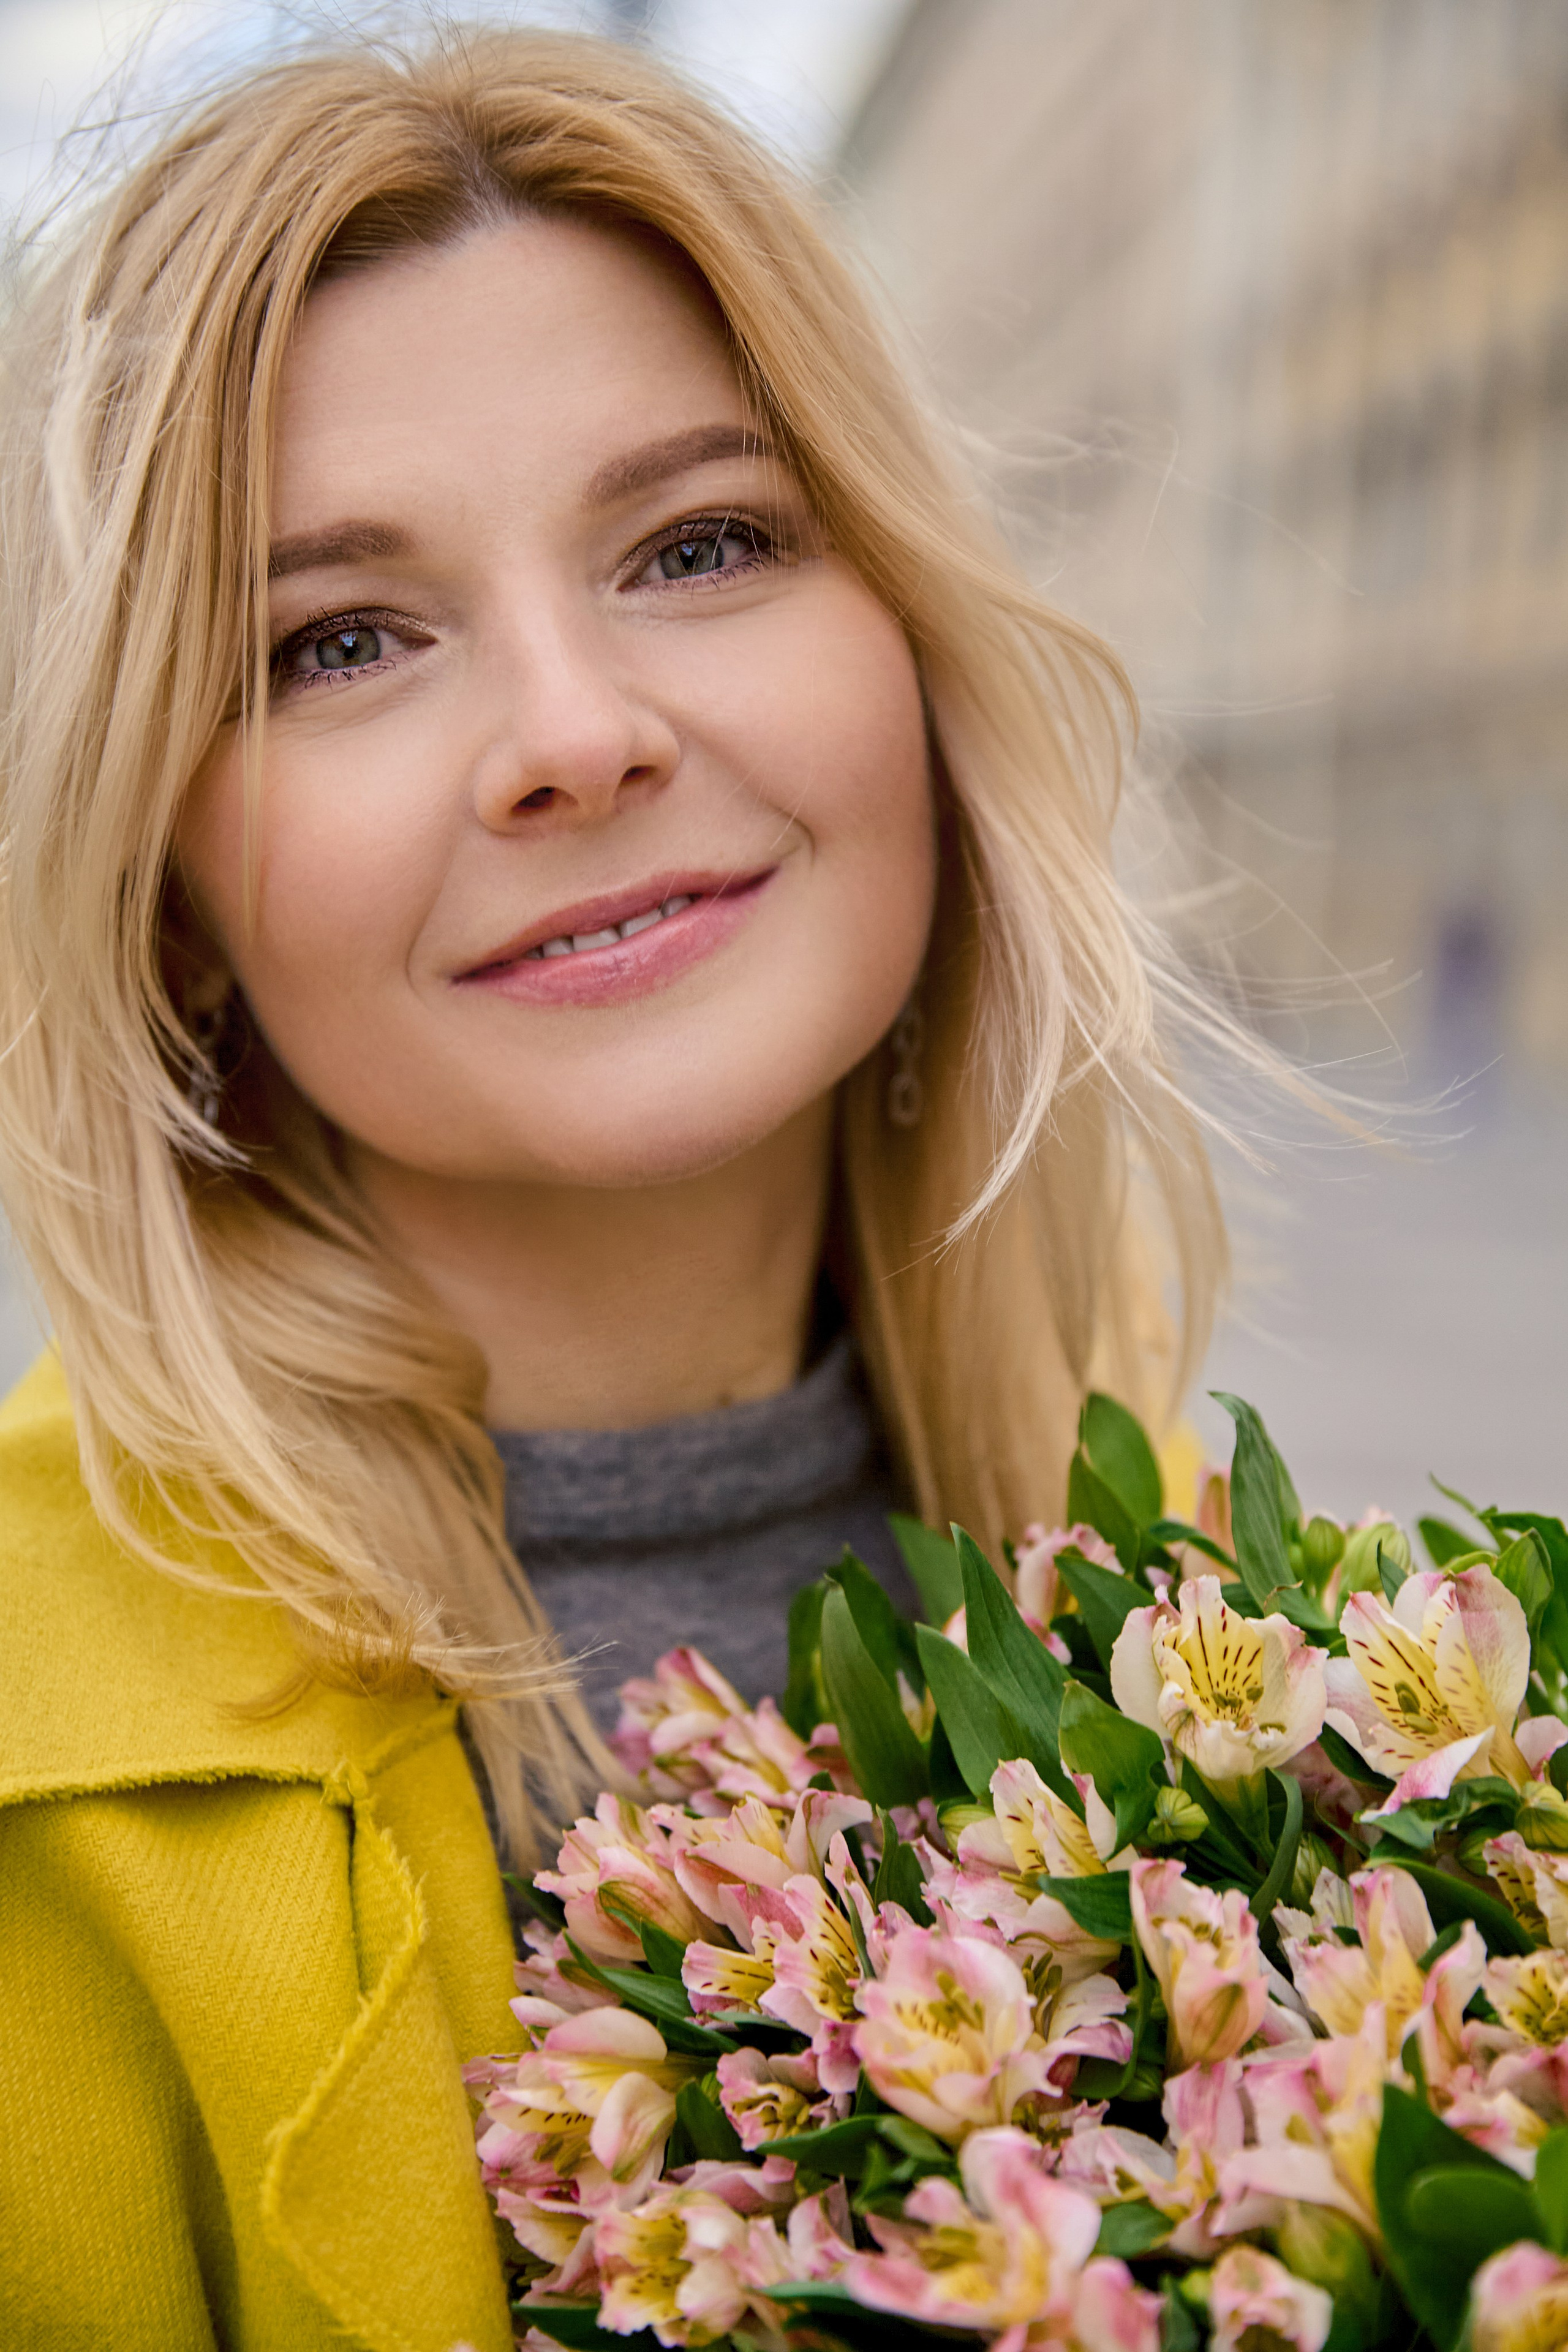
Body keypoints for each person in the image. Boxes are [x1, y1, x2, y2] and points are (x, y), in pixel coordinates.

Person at [0, 25, 1226, 2350]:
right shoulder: (38, 1804)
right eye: (338, 642)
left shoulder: (1188, 1582)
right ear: (166, 894)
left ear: (911, 655)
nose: (577, 735)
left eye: (703, 542)